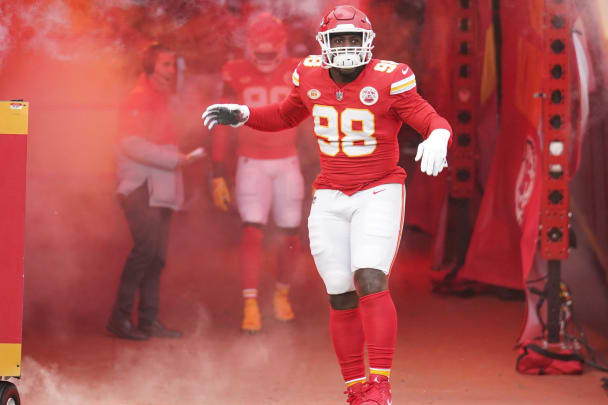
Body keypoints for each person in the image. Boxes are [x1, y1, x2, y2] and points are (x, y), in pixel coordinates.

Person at [202, 5, 452, 404]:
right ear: (325, 43)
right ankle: (356, 390)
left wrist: (438, 135)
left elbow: (429, 117)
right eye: (341, 39)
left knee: (370, 277)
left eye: (355, 39)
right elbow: (285, 115)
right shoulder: (309, 74)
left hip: (378, 189)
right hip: (331, 192)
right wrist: (245, 114)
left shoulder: (392, 78)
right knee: (339, 293)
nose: (349, 47)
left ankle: (380, 386)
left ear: (368, 43)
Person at [210, 13, 304, 333]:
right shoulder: (233, 72)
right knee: (252, 230)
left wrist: (324, 165)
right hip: (250, 160)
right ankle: (250, 303)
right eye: (258, 51)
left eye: (270, 50)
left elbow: (317, 119)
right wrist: (218, 170)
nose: (264, 58)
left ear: (282, 46)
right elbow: (222, 122)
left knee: (291, 232)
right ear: (249, 46)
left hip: (288, 159)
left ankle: (281, 293)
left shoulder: (297, 70)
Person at [107, 43, 204, 341]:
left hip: (157, 191)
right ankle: (120, 319)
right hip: (141, 189)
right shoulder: (139, 98)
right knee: (146, 253)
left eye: (173, 65)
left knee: (155, 257)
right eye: (165, 65)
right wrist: (178, 160)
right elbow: (130, 144)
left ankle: (147, 321)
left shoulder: (160, 100)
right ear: (148, 68)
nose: (171, 71)